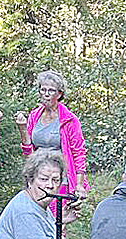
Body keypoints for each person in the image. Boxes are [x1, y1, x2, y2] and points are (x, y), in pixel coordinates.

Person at [16, 69, 90, 197]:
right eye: (43, 90)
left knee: (57, 216)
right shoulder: (34, 116)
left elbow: (79, 153)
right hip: (38, 177)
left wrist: (79, 184)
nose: (46, 94)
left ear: (59, 94)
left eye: (51, 91)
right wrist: (22, 128)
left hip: (60, 179)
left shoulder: (70, 120)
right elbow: (28, 152)